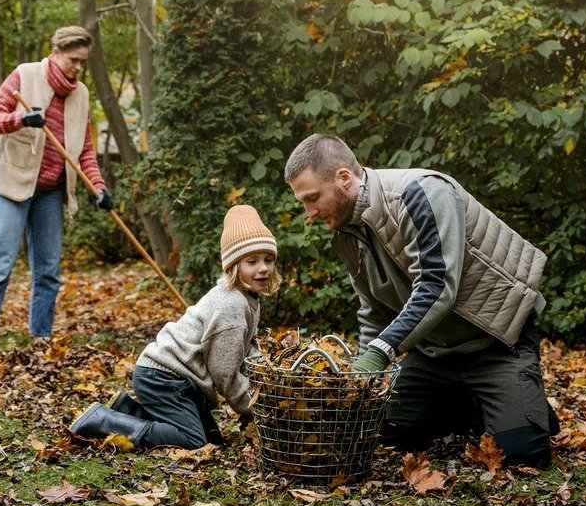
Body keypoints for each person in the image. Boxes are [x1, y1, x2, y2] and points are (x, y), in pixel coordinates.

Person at [284, 134, 560, 466]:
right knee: (380, 437)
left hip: (496, 344)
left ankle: (514, 401)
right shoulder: (346, 234)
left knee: (521, 455)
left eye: (312, 198)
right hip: (432, 356)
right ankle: (474, 401)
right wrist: (364, 381)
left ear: (344, 178)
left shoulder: (421, 192)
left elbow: (438, 285)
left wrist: (379, 353)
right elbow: (373, 311)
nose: (309, 213)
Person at [69, 205, 278, 449]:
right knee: (193, 442)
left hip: (183, 382)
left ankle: (127, 412)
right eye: (252, 261)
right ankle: (105, 421)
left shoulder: (247, 297)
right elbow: (224, 371)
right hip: (165, 378)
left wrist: (266, 377)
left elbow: (247, 346)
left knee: (214, 442)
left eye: (268, 260)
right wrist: (250, 404)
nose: (263, 268)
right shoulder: (230, 305)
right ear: (233, 266)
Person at [0, 25, 113, 362]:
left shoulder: (81, 95)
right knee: (0, 263)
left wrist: (98, 188)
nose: (78, 67)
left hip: (50, 192)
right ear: (56, 52)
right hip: (13, 185)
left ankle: (41, 340)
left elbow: (84, 150)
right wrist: (20, 119)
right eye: (73, 60)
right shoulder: (25, 76)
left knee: (48, 270)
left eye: (83, 62)